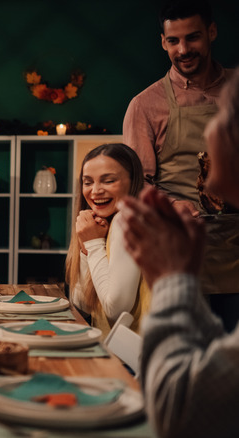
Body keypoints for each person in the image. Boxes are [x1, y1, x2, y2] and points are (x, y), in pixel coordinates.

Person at [119, 69, 239, 438]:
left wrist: (171, 280)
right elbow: (218, 376)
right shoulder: (145, 102)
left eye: (220, 119)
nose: (207, 132)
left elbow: (178, 412)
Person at [122, 0, 239, 327]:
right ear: (163, 41)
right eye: (173, 40)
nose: (183, 49)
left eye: (193, 37)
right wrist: (173, 205)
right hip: (182, 252)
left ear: (212, 32)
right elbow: (135, 184)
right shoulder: (145, 105)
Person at [65, 144, 147, 335]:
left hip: (139, 360)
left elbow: (117, 312)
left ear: (133, 181)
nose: (95, 191)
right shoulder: (105, 222)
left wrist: (93, 245)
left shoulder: (128, 219)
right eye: (87, 182)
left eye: (108, 181)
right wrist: (87, 247)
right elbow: (83, 304)